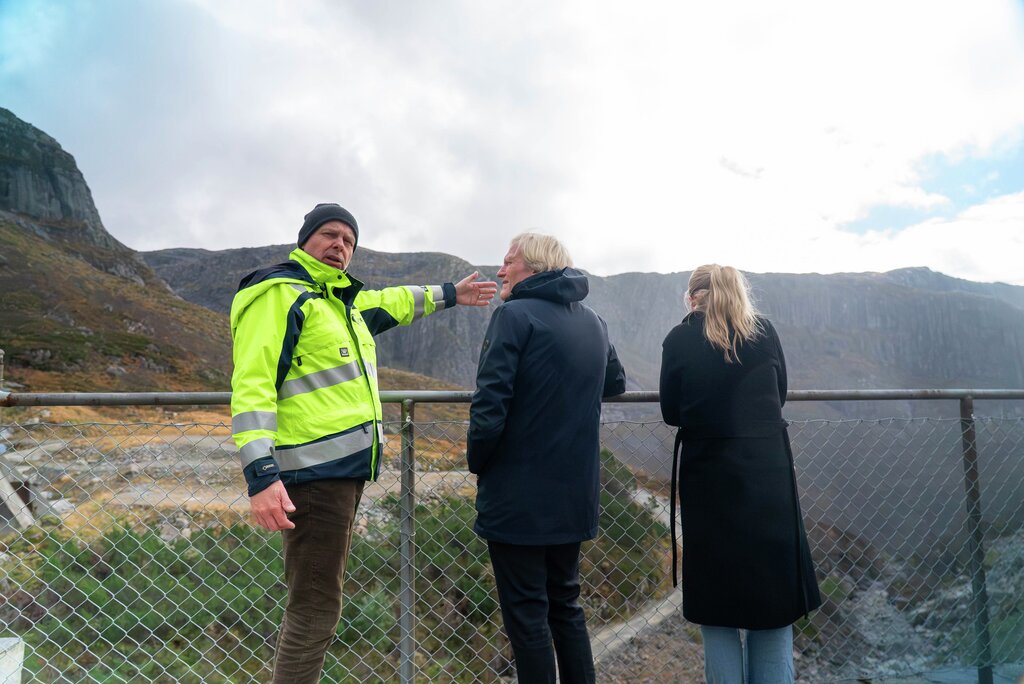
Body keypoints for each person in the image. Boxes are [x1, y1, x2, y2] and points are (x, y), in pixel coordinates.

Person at [229, 202, 496, 683]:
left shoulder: (341, 304)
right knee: (315, 608)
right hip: (311, 475)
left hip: (339, 474)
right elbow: (253, 385)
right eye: (329, 235)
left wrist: (452, 293)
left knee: (319, 604)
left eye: (349, 241)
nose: (339, 246)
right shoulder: (282, 295)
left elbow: (395, 301)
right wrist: (260, 474)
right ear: (305, 240)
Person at [467, 232, 626, 684]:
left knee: (527, 616)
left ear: (533, 267)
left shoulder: (513, 316)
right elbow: (615, 383)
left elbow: (489, 405)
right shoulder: (593, 320)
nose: (500, 270)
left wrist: (479, 463)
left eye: (508, 261)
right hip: (573, 493)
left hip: (518, 497)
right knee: (566, 606)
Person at [659, 264, 821, 684]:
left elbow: (671, 411)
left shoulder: (680, 338)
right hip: (767, 475)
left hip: (709, 479)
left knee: (717, 604)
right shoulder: (763, 332)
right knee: (774, 601)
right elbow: (779, 393)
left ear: (692, 297)